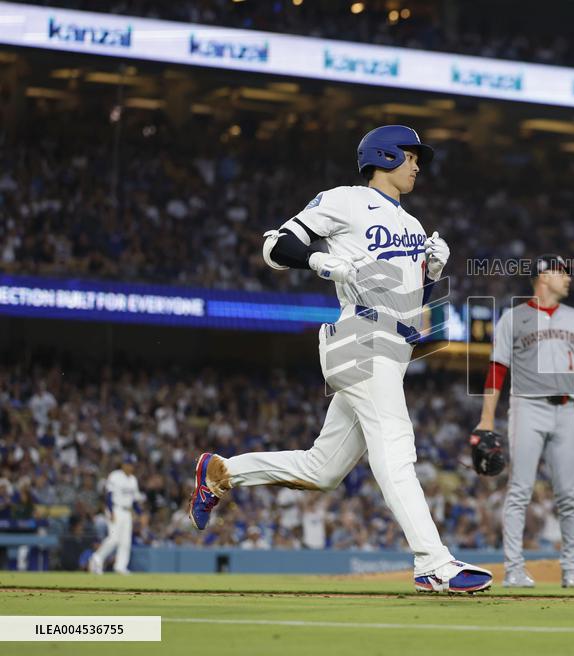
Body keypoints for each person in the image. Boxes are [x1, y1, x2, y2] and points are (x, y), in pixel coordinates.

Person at [187, 125, 492, 594]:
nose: (417, 166)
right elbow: (275, 246)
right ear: (385, 155)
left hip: (393, 345)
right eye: (412, 156)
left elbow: (417, 313)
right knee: (396, 446)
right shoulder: (346, 199)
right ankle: (434, 562)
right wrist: (323, 263)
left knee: (322, 469)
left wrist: (432, 273)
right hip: (360, 334)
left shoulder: (411, 224)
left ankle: (223, 471)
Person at [475, 254, 574, 589]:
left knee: (569, 495)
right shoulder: (514, 317)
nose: (568, 279)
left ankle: (572, 570)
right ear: (544, 277)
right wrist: (486, 419)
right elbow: (496, 370)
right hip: (527, 408)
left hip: (566, 411)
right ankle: (514, 569)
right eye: (562, 273)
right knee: (520, 491)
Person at [89, 454, 142, 575]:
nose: (130, 467)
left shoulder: (133, 479)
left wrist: (140, 513)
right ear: (123, 464)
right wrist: (111, 511)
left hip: (127, 512)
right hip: (115, 509)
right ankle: (96, 559)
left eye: (132, 465)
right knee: (114, 539)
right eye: (128, 464)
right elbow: (108, 495)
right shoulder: (115, 476)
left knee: (125, 542)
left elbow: (134, 501)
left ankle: (120, 567)